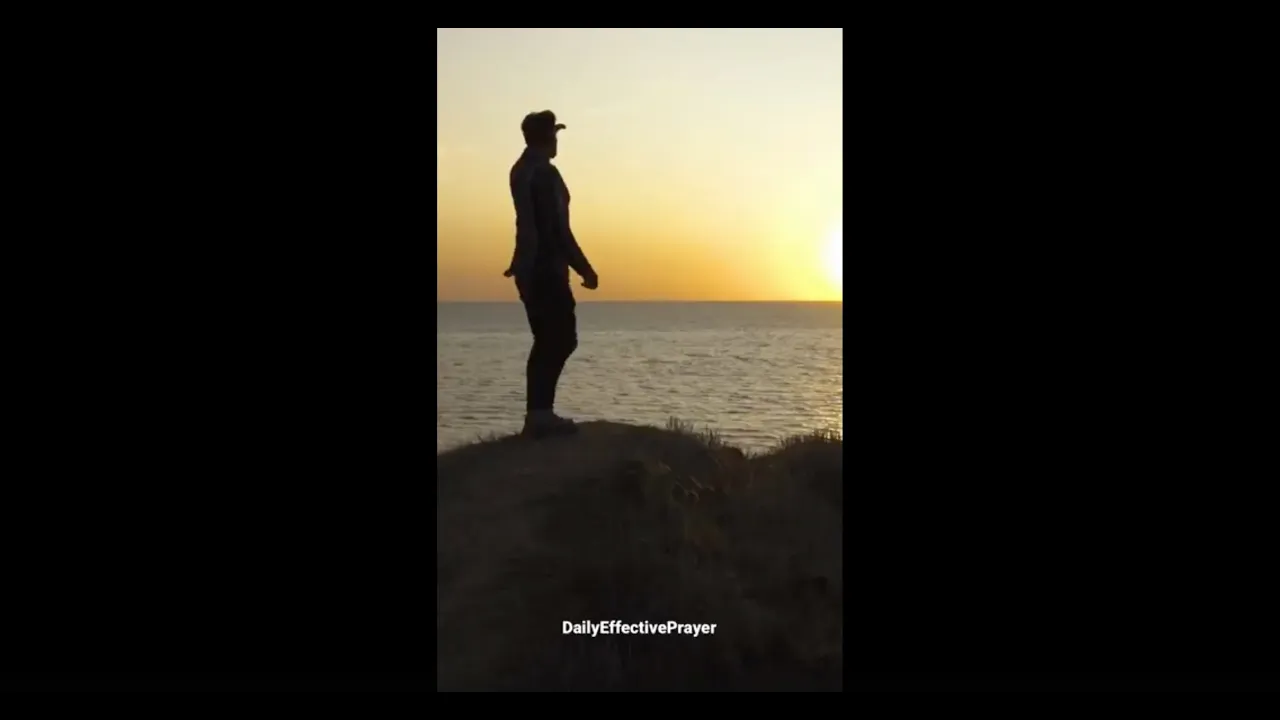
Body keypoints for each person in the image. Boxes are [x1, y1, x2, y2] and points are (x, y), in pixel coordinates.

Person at [504, 110, 598, 438]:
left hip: (530, 268)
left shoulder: (521, 169)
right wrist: (584, 267)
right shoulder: (544, 173)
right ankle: (540, 415)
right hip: (545, 268)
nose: (557, 142)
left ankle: (539, 413)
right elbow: (556, 228)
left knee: (548, 339)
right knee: (559, 339)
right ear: (547, 137)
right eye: (555, 135)